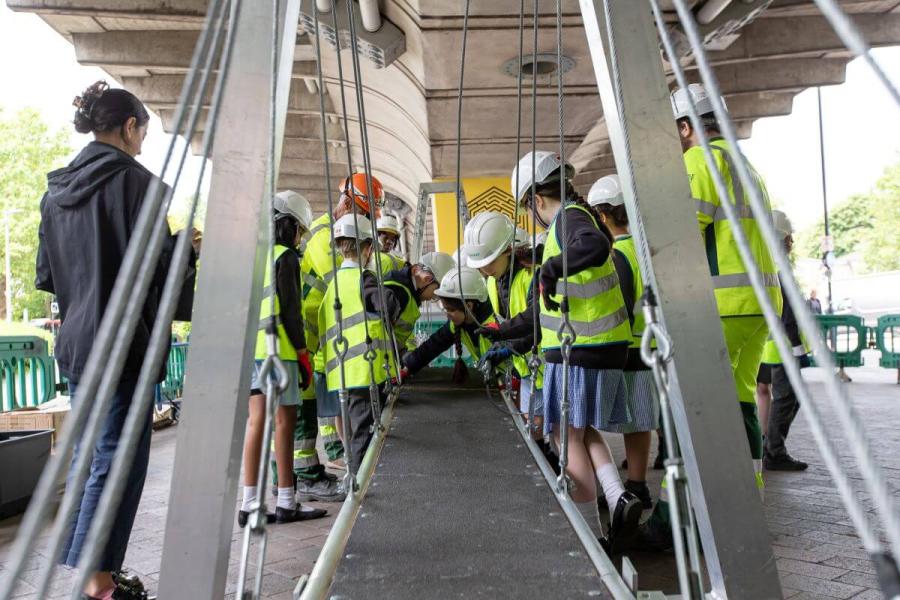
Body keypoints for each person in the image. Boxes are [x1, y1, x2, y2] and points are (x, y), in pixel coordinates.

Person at [35, 81, 197, 600]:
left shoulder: (54, 191)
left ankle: (92, 572)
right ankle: (100, 582)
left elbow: (46, 275)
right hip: (126, 342)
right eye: (143, 132)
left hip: (79, 345)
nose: (143, 143)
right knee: (117, 458)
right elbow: (163, 276)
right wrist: (186, 249)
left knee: (90, 454)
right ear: (128, 127)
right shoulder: (139, 186)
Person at [638, 83, 783, 551]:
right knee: (740, 402)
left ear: (686, 126)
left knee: (686, 409)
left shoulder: (700, 162)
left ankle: (672, 520)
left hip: (720, 307)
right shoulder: (748, 167)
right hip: (760, 306)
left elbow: (680, 236)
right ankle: (747, 502)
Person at [511, 151, 641, 550]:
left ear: (534, 199)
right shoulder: (572, 216)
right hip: (599, 346)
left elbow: (594, 246)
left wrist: (549, 270)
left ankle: (589, 534)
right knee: (581, 431)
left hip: (581, 348)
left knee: (563, 434)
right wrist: (503, 333)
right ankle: (618, 499)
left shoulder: (568, 219)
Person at [241, 192, 327, 527]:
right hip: (281, 353)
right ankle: (287, 500)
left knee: (256, 423)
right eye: (300, 230)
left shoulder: (254, 257)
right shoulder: (286, 257)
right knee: (283, 424)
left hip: (255, 351)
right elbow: (292, 312)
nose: (301, 237)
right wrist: (304, 354)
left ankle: (249, 503)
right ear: (289, 225)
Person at [297, 174, 382, 484]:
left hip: (319, 342)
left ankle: (306, 478)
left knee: (317, 412)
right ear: (347, 204)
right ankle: (302, 481)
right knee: (301, 417)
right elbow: (349, 278)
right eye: (363, 216)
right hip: (306, 341)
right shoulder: (324, 238)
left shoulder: (332, 234)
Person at [587, 175, 660, 510]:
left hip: (627, 346)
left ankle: (623, 487)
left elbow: (620, 304)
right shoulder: (648, 249)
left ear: (602, 216)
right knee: (641, 420)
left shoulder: (618, 254)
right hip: (651, 344)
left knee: (623, 419)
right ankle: (638, 483)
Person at [318, 214, 399, 473]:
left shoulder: (333, 285)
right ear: (367, 248)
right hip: (366, 371)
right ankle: (359, 484)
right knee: (363, 436)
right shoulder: (363, 279)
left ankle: (357, 478)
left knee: (356, 431)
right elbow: (387, 304)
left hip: (343, 372)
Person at [464, 212, 549, 451]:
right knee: (535, 431)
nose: (483, 269)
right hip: (527, 369)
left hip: (549, 366)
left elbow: (537, 323)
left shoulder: (533, 274)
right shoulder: (493, 281)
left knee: (565, 434)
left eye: (487, 261)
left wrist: (505, 345)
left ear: (508, 250)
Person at [763, 211, 810, 471]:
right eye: (789, 237)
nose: (792, 242)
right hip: (784, 346)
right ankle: (775, 452)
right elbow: (788, 312)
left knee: (789, 397)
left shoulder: (769, 263)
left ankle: (772, 447)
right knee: (786, 398)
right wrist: (798, 347)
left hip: (775, 344)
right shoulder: (780, 267)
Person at [401, 267, 496, 385]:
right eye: (445, 309)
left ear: (469, 306)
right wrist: (407, 368)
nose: (447, 315)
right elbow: (432, 346)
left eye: (451, 310)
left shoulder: (494, 327)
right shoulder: (457, 324)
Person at [383, 251, 454, 351]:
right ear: (427, 279)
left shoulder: (407, 296)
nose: (433, 297)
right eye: (435, 293)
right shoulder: (398, 293)